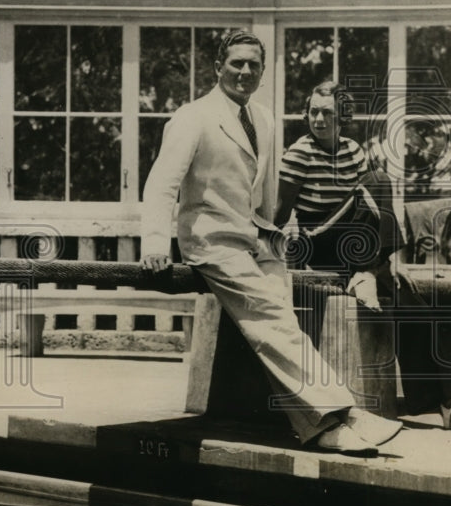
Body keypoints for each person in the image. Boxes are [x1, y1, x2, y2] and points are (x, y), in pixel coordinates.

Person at [140, 30, 402, 456]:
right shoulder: (193, 117)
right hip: (212, 242)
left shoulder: (264, 119)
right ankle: (342, 413)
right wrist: (154, 243)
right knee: (269, 315)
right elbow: (160, 186)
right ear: (217, 67)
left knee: (280, 320)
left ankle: (316, 424)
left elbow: (265, 197)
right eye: (237, 63)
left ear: (262, 73)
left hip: (254, 240)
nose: (245, 71)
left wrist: (274, 236)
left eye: (254, 65)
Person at [275, 80, 451, 435]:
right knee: (380, 178)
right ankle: (369, 271)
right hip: (320, 244)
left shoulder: (353, 150)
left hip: (356, 246)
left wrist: (391, 261)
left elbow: (371, 211)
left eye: (327, 113)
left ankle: (448, 404)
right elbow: (280, 213)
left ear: (342, 116)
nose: (319, 119)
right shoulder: (299, 154)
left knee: (412, 304)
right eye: (313, 112)